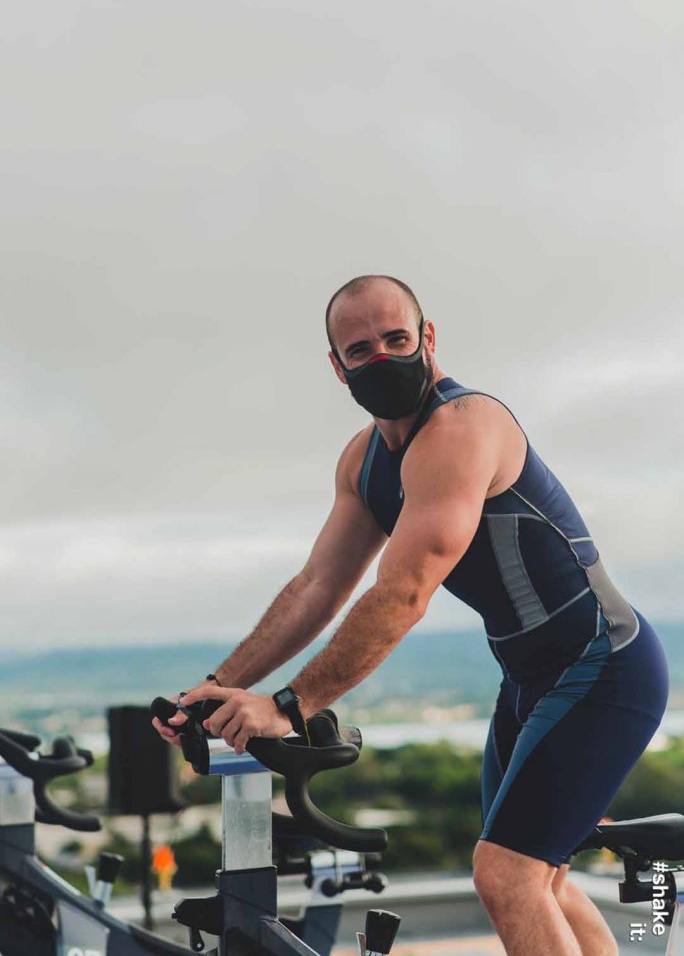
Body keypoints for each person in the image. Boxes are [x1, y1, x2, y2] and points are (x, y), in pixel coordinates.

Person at [153, 274, 669, 956]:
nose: (383, 359)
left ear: (428, 338)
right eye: (360, 349)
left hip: (604, 667)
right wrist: (215, 687)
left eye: (397, 340)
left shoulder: (464, 428)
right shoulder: (364, 463)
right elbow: (317, 587)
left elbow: (402, 594)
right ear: (337, 368)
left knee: (508, 875)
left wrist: (290, 703)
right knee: (544, 880)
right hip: (529, 681)